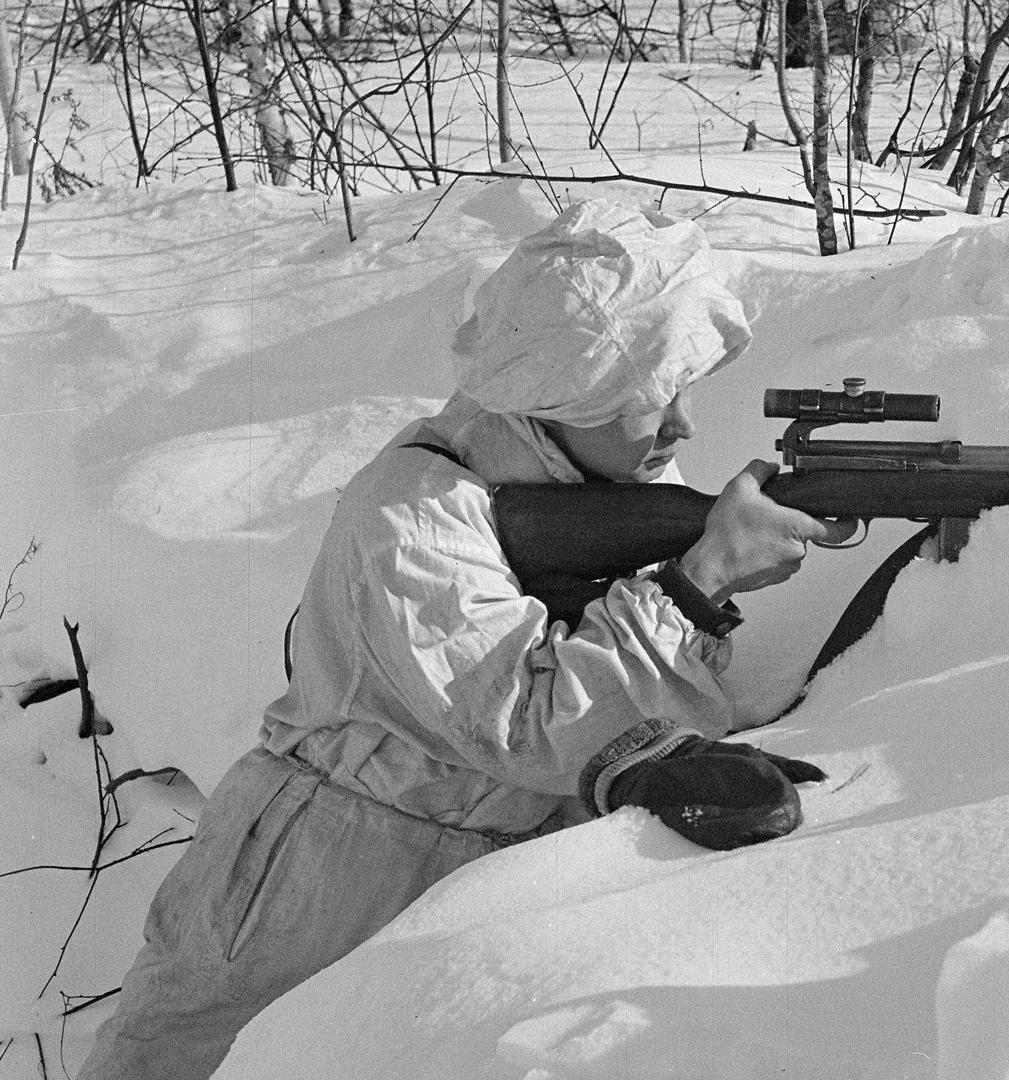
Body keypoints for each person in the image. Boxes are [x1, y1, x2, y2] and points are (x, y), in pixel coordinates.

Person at [75, 200, 854, 1080]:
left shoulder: (596, 470)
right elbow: (526, 726)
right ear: (562, 395)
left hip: (471, 881)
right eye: (650, 400)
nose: (682, 426)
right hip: (311, 880)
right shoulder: (411, 512)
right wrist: (698, 583)